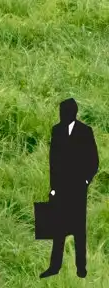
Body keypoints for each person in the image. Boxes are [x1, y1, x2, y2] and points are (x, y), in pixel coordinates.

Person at [47, 98, 99, 278]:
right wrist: (53, 187)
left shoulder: (85, 132)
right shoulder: (56, 130)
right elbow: (52, 162)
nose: (62, 115)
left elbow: (94, 160)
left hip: (77, 189)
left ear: (72, 113)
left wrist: (85, 181)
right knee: (58, 228)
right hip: (60, 189)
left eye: (64, 111)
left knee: (79, 229)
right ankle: (54, 267)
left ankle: (81, 268)